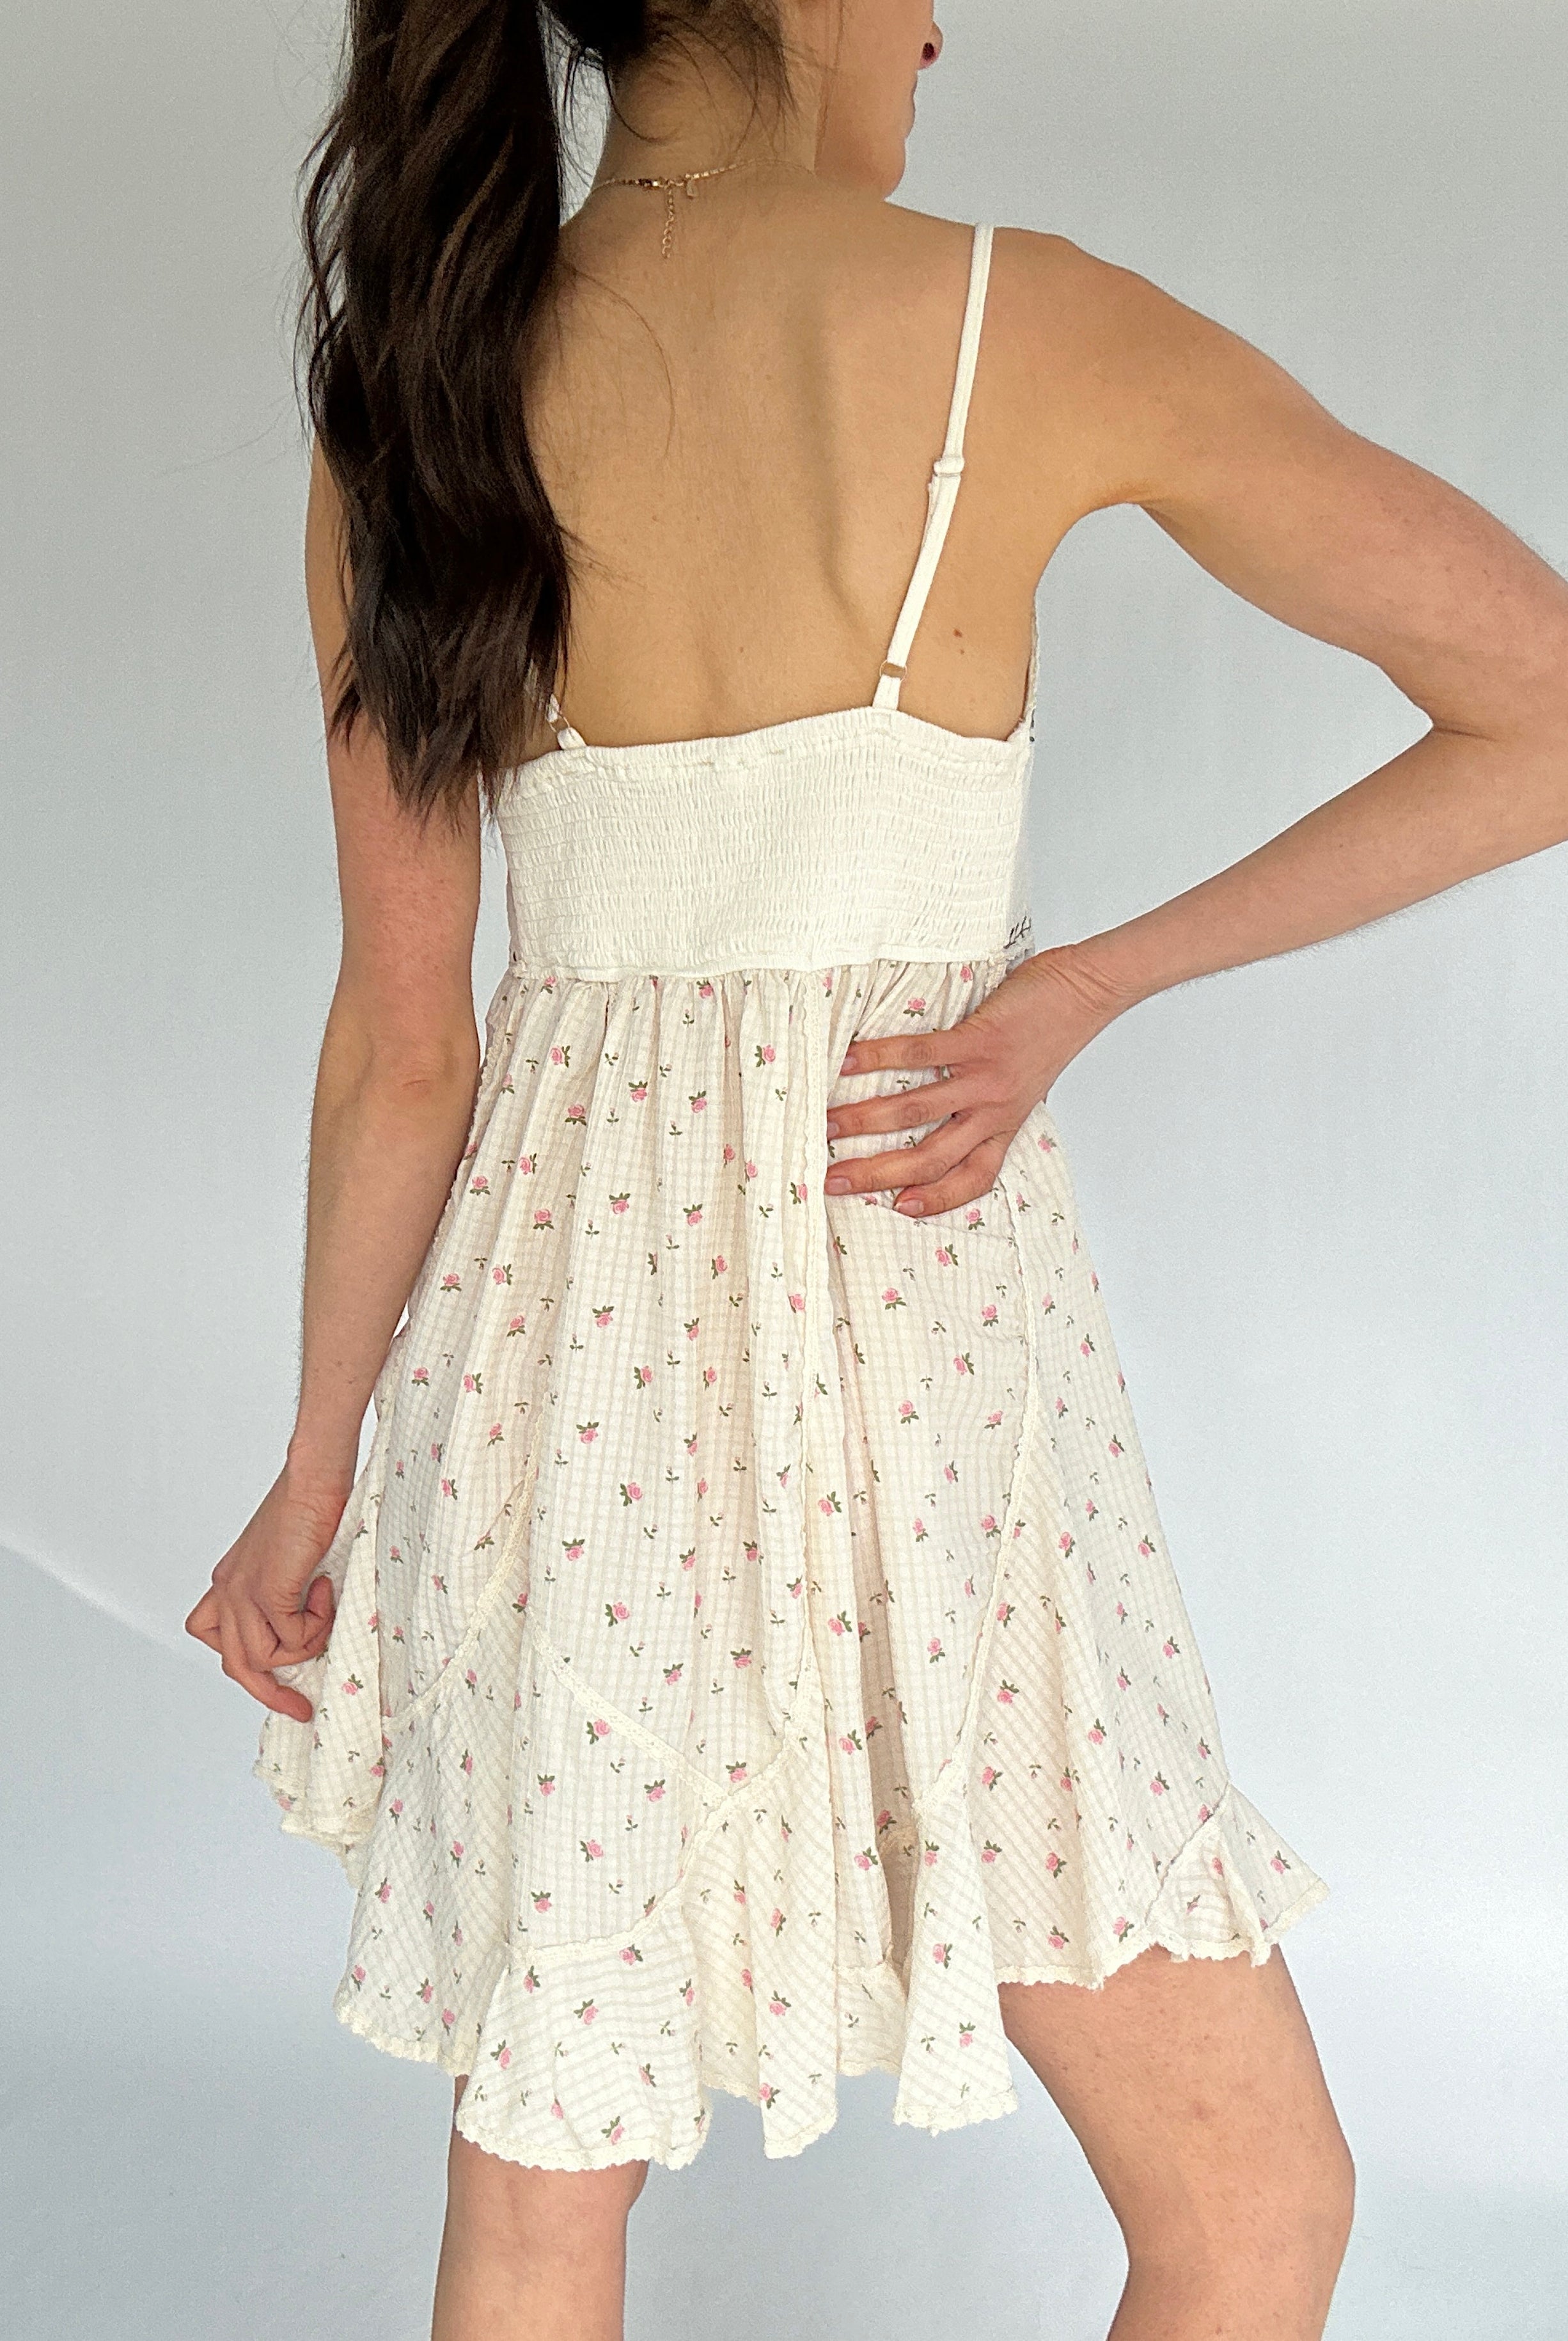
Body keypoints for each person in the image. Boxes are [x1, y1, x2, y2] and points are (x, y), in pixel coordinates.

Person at [183, 3, 1568, 2337]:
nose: (935, 27)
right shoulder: (1023, 319)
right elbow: (1535, 695)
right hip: (919, 1345)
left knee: (543, 2201)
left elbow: (404, 1042)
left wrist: (312, 1473)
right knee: (1255, 2210)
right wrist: (1090, 981)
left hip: (559, 1374)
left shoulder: (407, 398)